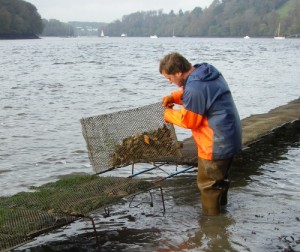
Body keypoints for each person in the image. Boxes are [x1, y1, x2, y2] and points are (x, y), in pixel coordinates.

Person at [159, 52, 242, 215]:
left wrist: (167, 115)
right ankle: (222, 215)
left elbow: (189, 120)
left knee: (208, 186)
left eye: (169, 78)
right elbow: (195, 93)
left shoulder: (195, 87)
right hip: (230, 136)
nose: (170, 82)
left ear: (178, 73)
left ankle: (212, 225)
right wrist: (173, 97)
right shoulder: (205, 72)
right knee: (220, 181)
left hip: (215, 143)